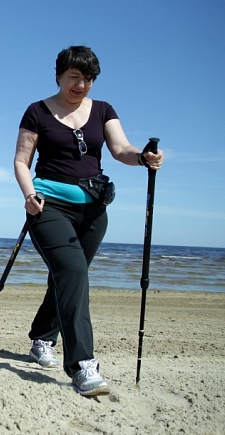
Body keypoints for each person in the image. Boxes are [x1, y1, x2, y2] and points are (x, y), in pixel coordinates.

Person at [13, 45, 163, 396]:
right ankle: (82, 364)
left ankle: (41, 338)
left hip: (93, 211)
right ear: (59, 76)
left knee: (67, 276)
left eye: (88, 79)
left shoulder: (103, 110)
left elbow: (120, 149)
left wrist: (142, 157)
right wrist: (29, 195)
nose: (81, 86)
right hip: (48, 206)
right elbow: (21, 160)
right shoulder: (38, 111)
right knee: (74, 273)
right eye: (74, 78)